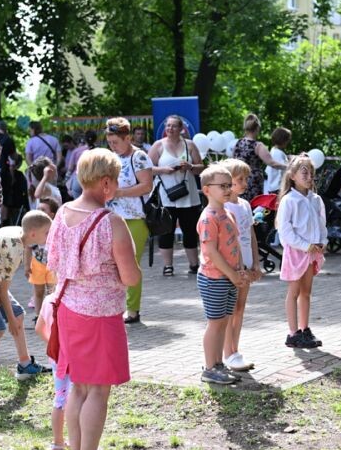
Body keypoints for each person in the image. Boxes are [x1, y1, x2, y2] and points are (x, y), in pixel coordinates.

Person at [45, 148, 140, 450]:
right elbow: (131, 277)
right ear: (105, 182)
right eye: (115, 179)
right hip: (100, 314)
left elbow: (53, 262)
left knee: (78, 388)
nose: (116, 185)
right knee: (98, 391)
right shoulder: (110, 221)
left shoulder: (63, 213)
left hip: (69, 308)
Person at [0, 211, 54, 394]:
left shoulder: (19, 233)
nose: (50, 236)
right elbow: (2, 291)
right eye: (47, 232)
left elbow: (1, 287)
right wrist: (11, 321)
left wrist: (14, 318)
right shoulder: (15, 248)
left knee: (19, 315)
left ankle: (24, 365)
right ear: (32, 234)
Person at [195, 165, 250, 384]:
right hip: (214, 278)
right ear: (207, 190)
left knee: (224, 321)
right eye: (222, 186)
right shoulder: (209, 218)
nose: (228, 189)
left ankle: (218, 364)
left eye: (229, 185)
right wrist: (232, 274)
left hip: (228, 277)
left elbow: (234, 246)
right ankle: (210, 367)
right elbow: (212, 252)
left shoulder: (227, 213)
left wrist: (239, 272)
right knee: (215, 323)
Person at [104, 117, 153, 324]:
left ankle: (132, 309)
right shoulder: (110, 158)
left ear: (128, 138)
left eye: (116, 142)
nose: (112, 146)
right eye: (109, 142)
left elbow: (146, 186)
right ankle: (114, 306)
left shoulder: (139, 156)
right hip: (110, 218)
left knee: (130, 264)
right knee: (110, 264)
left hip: (135, 218)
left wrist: (120, 193)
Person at [277, 155, 328, 348]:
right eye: (304, 172)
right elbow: (285, 230)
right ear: (292, 176)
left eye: (311, 173)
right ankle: (293, 333)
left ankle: (305, 328)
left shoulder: (316, 199)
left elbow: (322, 224)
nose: (309, 177)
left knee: (306, 292)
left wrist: (322, 241)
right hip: (297, 253)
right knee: (294, 291)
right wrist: (304, 245)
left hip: (312, 252)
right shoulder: (289, 200)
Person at [148, 115, 205, 276]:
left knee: (190, 230)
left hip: (189, 195)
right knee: (166, 230)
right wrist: (164, 170)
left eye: (173, 126)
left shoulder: (190, 145)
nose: (170, 129)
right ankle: (168, 266)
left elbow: (201, 167)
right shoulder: (158, 146)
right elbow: (147, 169)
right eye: (168, 126)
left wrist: (190, 166)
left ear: (181, 129)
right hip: (167, 196)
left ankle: (194, 264)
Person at [219, 159, 262, 372]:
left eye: (246, 178)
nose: (245, 183)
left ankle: (235, 348)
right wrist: (236, 267)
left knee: (240, 308)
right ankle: (228, 352)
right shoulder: (224, 207)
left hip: (246, 264)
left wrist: (255, 262)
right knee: (230, 309)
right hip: (232, 266)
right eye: (240, 179)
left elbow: (250, 235)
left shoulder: (244, 205)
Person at [34, 291, 70, 450]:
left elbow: (39, 328)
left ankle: (57, 442)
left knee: (60, 398)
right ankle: (78, 441)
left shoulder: (48, 300)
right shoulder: (74, 299)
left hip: (56, 357)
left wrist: (53, 344)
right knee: (77, 399)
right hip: (74, 358)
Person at [232, 113, 287, 202]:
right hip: (253, 182)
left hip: (238, 180)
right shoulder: (257, 145)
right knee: (254, 208)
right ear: (257, 128)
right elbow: (271, 162)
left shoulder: (237, 143)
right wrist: (288, 167)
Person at [25, 197, 60, 312]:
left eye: (43, 210)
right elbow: (28, 248)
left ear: (52, 214)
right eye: (38, 209)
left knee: (52, 292)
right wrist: (26, 266)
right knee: (38, 292)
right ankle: (38, 316)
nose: (39, 211)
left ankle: (52, 315)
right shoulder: (33, 228)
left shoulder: (57, 228)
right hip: (37, 263)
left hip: (53, 265)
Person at [265, 126, 292, 194]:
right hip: (278, 187)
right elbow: (285, 169)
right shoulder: (279, 153)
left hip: (272, 187)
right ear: (283, 140)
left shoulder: (273, 150)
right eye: (287, 140)